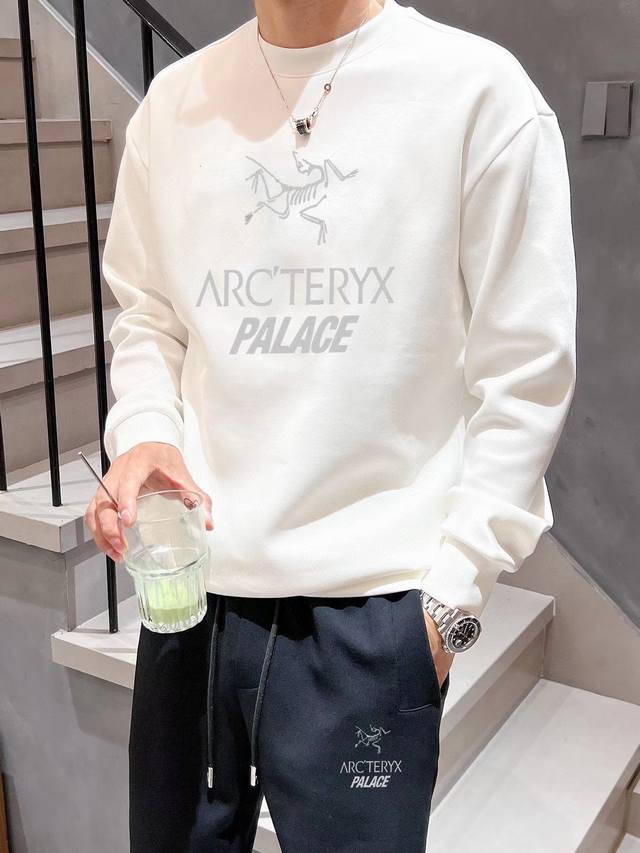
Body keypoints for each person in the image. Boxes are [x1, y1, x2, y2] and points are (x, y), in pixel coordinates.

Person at [84, 0, 577, 850]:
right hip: (195, 596)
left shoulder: (477, 94)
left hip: (373, 621)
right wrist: (146, 432)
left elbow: (527, 372)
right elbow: (149, 316)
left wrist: (449, 605)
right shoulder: (173, 105)